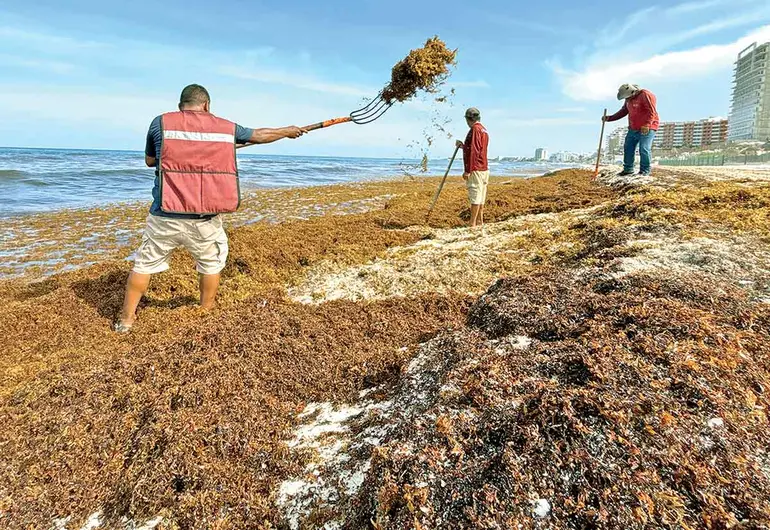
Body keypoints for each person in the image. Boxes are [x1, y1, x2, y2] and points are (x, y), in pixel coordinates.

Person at [115, 84, 305, 332]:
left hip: (164, 214)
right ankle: (205, 311)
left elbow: (151, 160)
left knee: (144, 264)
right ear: (207, 105)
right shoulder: (224, 127)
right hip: (204, 218)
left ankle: (126, 321)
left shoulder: (160, 123)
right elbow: (259, 135)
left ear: (180, 105)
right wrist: (287, 131)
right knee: (210, 264)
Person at [604, 83, 659, 176]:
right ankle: (628, 169)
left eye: (627, 97)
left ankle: (645, 171)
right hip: (633, 128)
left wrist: (646, 125)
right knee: (628, 147)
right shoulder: (628, 99)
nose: (627, 100)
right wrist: (610, 118)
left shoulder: (645, 95)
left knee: (644, 148)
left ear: (633, 92)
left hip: (648, 127)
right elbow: (624, 111)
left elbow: (651, 111)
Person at [455, 107, 489, 227]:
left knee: (475, 195)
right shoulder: (484, 130)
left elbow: (474, 150)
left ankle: (472, 223)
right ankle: (480, 221)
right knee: (481, 195)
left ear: (468, 119)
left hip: (476, 168)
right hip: (483, 167)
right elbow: (476, 148)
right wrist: (463, 146)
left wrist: (468, 170)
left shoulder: (475, 129)